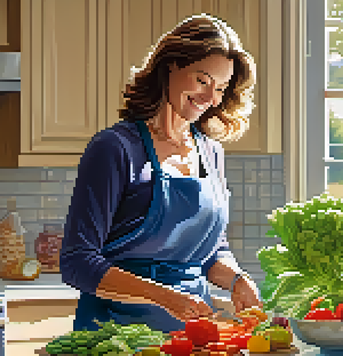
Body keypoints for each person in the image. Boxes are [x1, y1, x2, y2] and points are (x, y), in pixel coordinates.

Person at [60, 13, 262, 333]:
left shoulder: (211, 153)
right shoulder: (114, 148)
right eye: (202, 80)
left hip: (192, 338)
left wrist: (238, 280)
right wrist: (164, 297)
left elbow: (211, 252)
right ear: (171, 67)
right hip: (115, 337)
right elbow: (77, 261)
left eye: (221, 88)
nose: (211, 99)